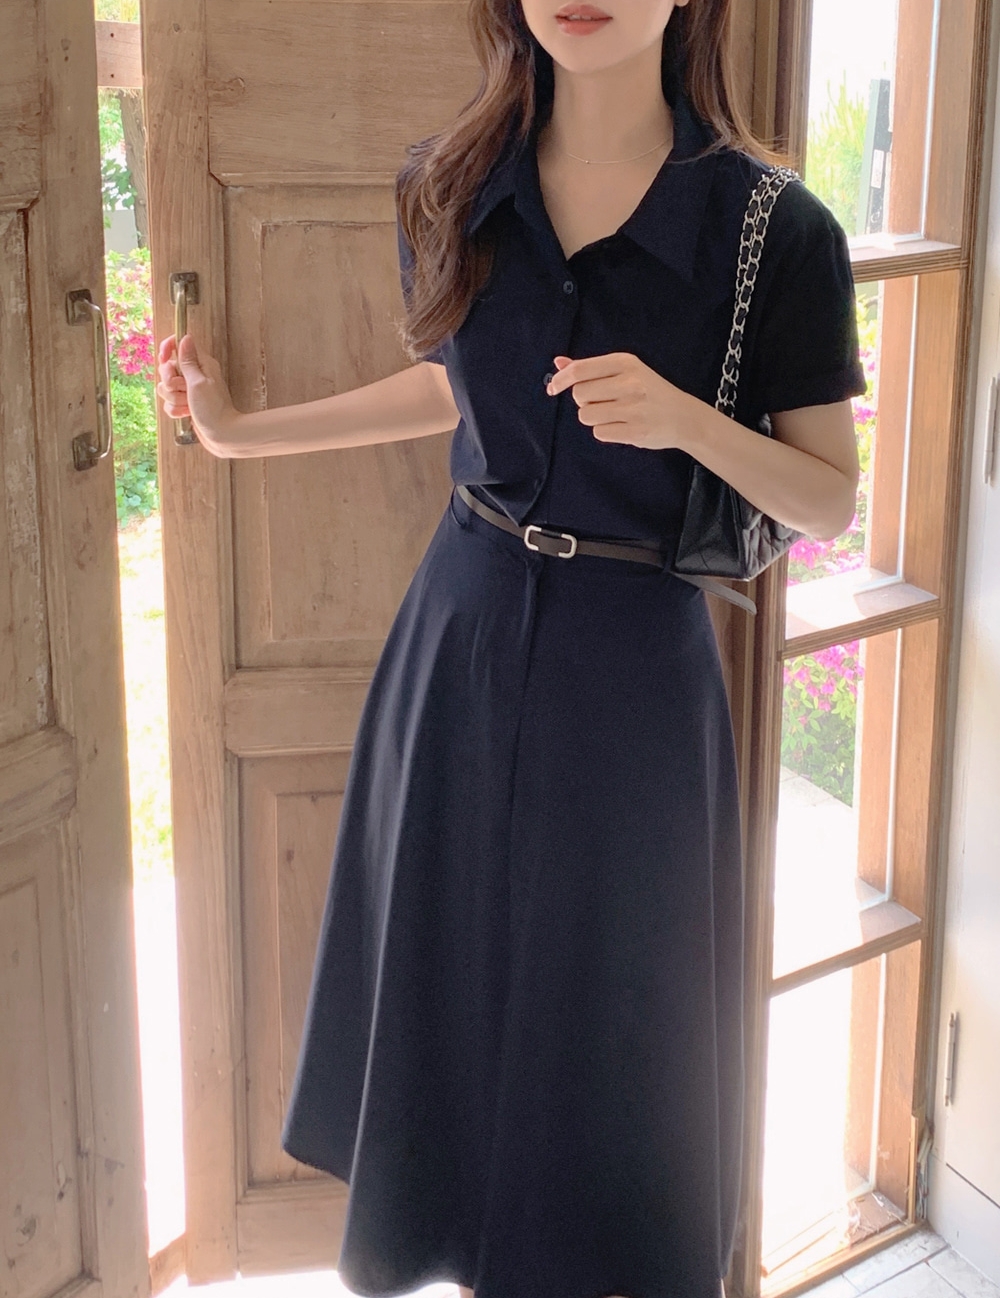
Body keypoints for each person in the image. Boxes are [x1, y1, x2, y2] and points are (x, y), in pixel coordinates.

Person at [155, 0, 865, 1293]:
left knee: (616, 1017)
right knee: (454, 993)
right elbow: (456, 382)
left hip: (636, 669)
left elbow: (827, 497)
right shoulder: (451, 185)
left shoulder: (777, 228)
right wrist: (241, 432)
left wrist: (683, 419)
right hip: (461, 634)